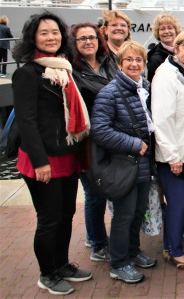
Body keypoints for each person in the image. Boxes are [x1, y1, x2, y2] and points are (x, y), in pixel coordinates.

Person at [12, 11, 92, 295]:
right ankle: (47, 273)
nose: (51, 37)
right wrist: (40, 162)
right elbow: (26, 121)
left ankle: (62, 265)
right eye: (44, 33)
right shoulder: (27, 73)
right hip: (43, 159)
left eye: (55, 32)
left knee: (67, 213)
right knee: (49, 218)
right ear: (33, 37)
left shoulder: (64, 68)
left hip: (68, 155)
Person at [91, 41, 157, 283]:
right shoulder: (110, 92)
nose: (134, 64)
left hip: (141, 164)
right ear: (119, 64)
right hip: (124, 163)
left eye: (138, 60)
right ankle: (118, 263)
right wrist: (133, 144)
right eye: (128, 60)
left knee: (138, 212)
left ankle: (132, 251)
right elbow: (100, 130)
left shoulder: (145, 87)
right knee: (123, 215)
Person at [151, 30, 184, 270]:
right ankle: (173, 250)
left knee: (182, 202)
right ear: (176, 48)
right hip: (174, 155)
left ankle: (174, 246)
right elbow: (161, 120)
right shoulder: (166, 76)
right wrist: (172, 157)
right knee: (178, 202)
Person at [70, 22, 117, 262]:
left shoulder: (109, 63)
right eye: (82, 39)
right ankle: (98, 244)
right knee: (95, 194)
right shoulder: (72, 71)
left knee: (103, 192)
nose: (88, 42)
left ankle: (93, 235)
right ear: (74, 44)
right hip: (88, 141)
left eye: (92, 37)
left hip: (110, 137)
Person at [147, 13, 181, 82]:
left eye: (170, 28)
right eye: (162, 29)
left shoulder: (182, 52)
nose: (166, 31)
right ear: (158, 33)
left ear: (176, 30)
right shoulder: (155, 59)